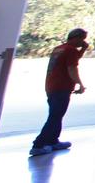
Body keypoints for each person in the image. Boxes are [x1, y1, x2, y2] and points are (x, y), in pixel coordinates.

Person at [30, 28, 88, 156]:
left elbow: (73, 59)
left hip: (52, 86)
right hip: (62, 87)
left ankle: (53, 141)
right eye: (82, 39)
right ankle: (38, 145)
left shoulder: (59, 48)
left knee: (57, 115)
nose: (83, 42)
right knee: (55, 116)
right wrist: (80, 84)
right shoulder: (71, 50)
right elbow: (72, 68)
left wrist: (83, 49)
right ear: (76, 38)